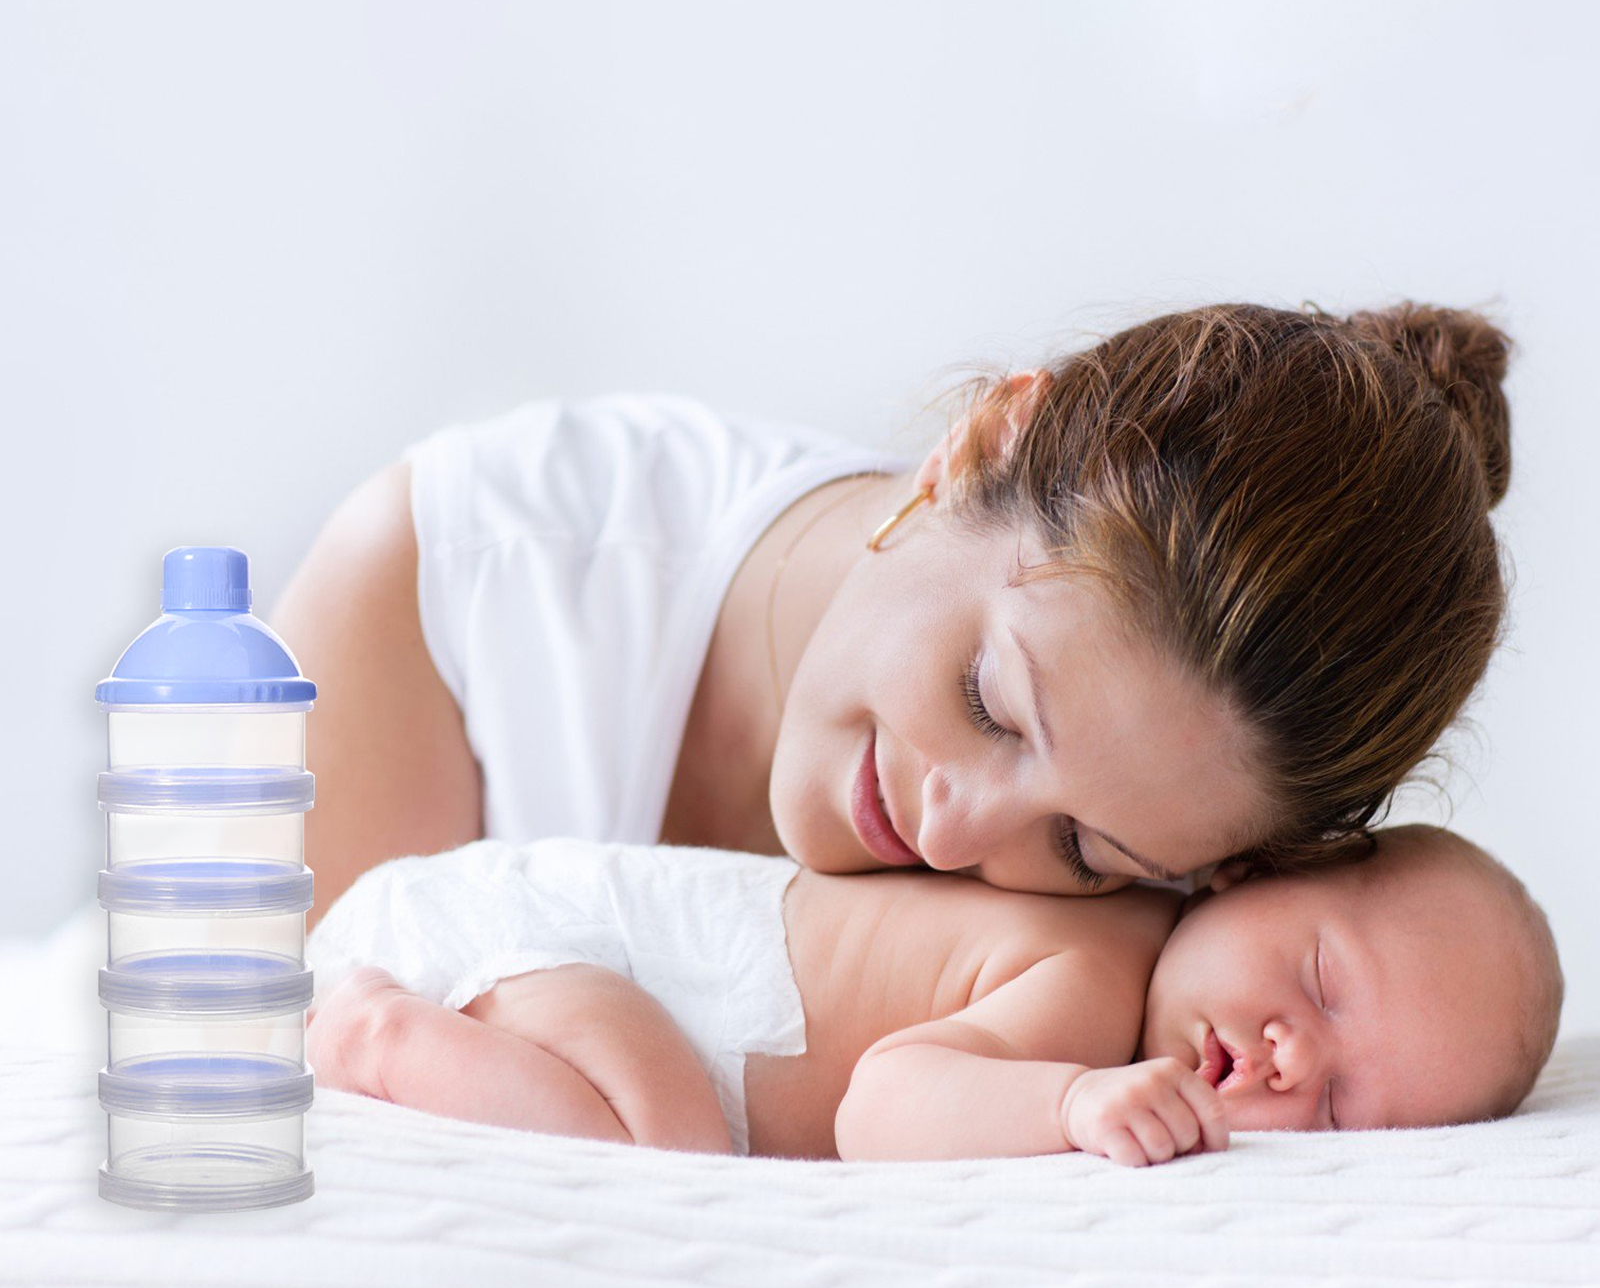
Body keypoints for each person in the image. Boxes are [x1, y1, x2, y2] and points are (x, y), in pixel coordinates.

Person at [271, 302, 1514, 929]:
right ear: (983, 444)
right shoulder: (456, 578)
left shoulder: (1150, 897)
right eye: (989, 702)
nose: (953, 828)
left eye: (1084, 850)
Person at [303, 824, 1563, 1164]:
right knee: (666, 1153)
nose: (1292, 1057)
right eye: (1321, 982)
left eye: (1340, 1106)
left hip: (544, 937)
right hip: (543, 941)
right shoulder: (1096, 967)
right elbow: (880, 1107)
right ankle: (377, 1033)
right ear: (1253, 868)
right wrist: (1067, 1103)